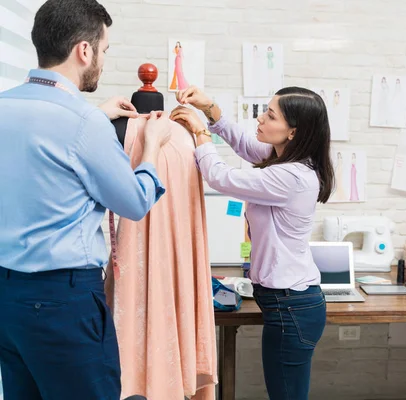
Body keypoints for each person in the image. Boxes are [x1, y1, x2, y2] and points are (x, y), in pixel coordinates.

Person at [0, 1, 171, 399]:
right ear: (84, 50)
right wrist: (150, 149)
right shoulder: (82, 123)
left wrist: (92, 116)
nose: (104, 60)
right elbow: (133, 202)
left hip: (7, 300)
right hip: (63, 301)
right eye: (105, 50)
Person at [170, 86, 334, 400]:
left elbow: (221, 177)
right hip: (289, 304)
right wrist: (211, 107)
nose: (260, 118)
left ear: (292, 132)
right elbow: (246, 145)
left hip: (291, 307)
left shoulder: (292, 176)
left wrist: (200, 132)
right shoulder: (285, 158)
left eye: (271, 115)